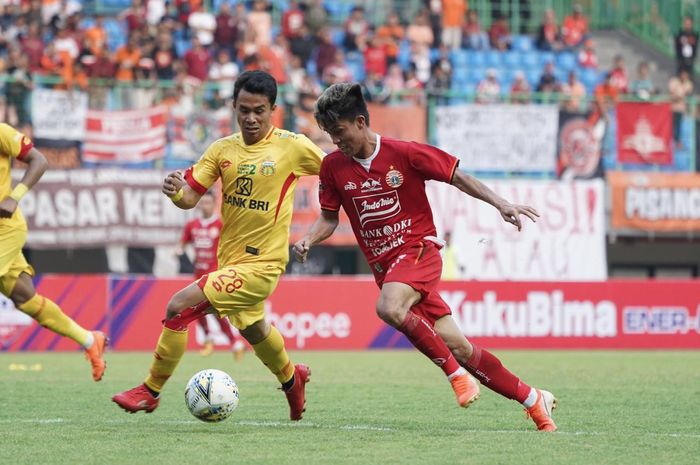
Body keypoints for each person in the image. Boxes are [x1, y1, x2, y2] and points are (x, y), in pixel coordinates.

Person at [294, 83, 557, 432]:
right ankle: (533, 399)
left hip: (418, 250)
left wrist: (502, 204)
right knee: (460, 347)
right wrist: (309, 238)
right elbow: (329, 218)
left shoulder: (405, 153)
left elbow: (457, 177)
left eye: (339, 131)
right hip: (388, 270)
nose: (335, 140)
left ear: (360, 121)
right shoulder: (332, 167)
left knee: (389, 308)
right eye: (329, 133)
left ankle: (456, 377)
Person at [112, 71, 324, 421]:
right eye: (244, 110)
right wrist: (176, 191)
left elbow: (337, 173)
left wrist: (324, 223)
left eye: (259, 110)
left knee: (178, 307)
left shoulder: (293, 146)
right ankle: (292, 379)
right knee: (254, 330)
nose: (251, 118)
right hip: (229, 264)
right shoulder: (222, 149)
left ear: (272, 109)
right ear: (233, 107)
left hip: (264, 266)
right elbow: (190, 197)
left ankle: (149, 391)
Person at [0, 123, 107, 381]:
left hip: (5, 228)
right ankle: (89, 339)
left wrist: (15, 196)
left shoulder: (1, 132)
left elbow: (39, 160)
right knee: (25, 298)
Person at [176, 190, 245, 359]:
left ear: (214, 204)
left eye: (208, 202)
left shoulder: (220, 225)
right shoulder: (192, 225)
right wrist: (178, 250)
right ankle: (224, 341)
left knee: (211, 309)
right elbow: (183, 243)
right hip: (198, 273)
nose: (205, 205)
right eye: (202, 202)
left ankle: (229, 341)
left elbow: (232, 244)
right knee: (193, 307)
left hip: (214, 275)